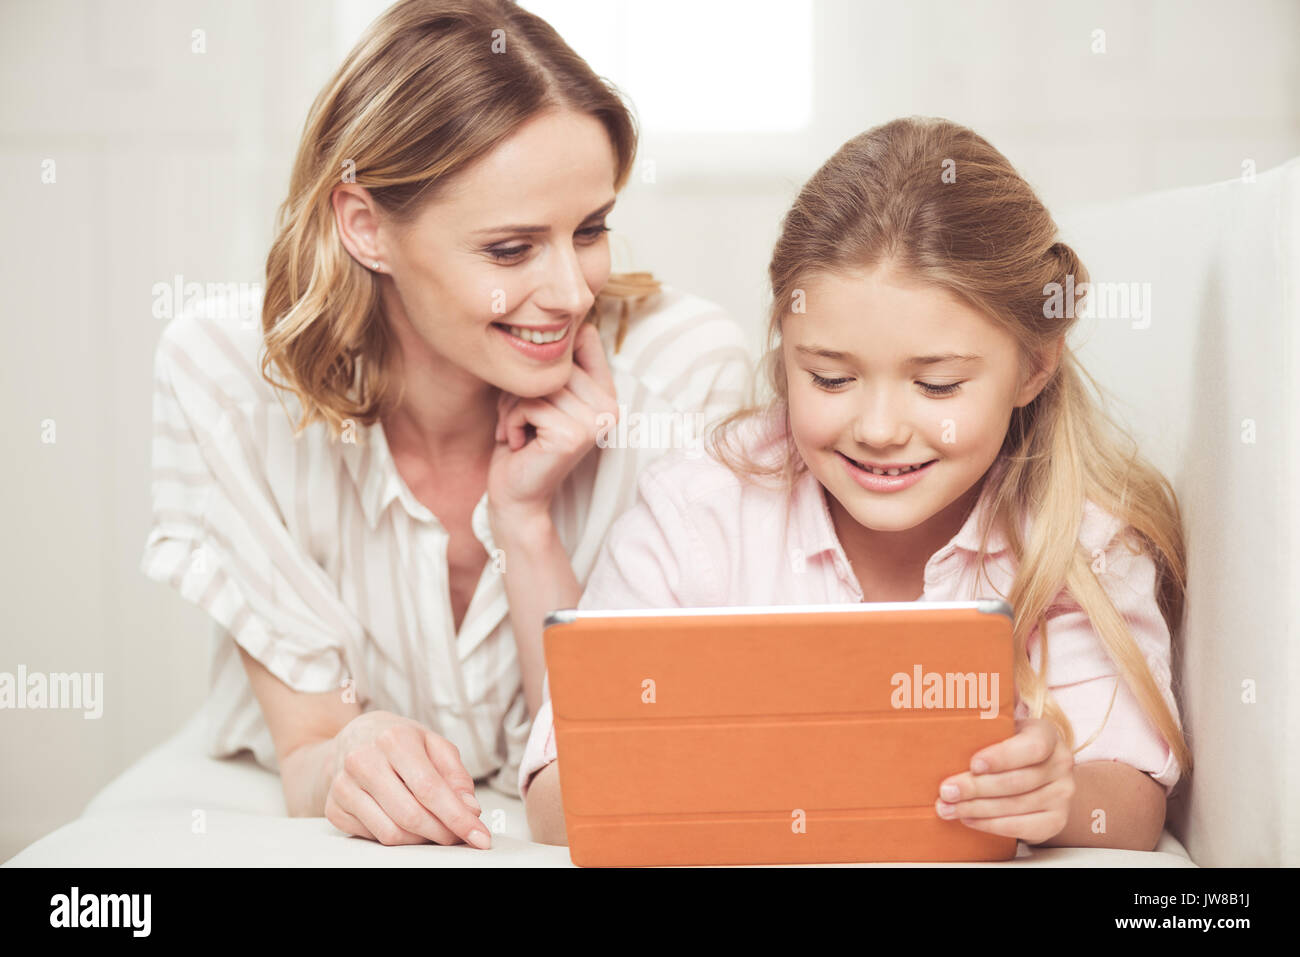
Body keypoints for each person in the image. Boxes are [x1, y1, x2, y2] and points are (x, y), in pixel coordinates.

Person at [139, 0, 750, 850]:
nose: (573, 293)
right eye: (510, 250)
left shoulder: (682, 374)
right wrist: (351, 749)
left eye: (592, 230)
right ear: (366, 227)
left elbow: (616, 763)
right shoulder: (227, 379)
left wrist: (527, 528)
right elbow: (308, 747)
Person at [520, 116, 1192, 852]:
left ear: (1034, 366)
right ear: (785, 352)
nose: (877, 427)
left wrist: (1052, 796)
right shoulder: (696, 514)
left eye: (936, 385)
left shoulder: (1081, 540)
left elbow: (1131, 808)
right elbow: (557, 802)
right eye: (830, 377)